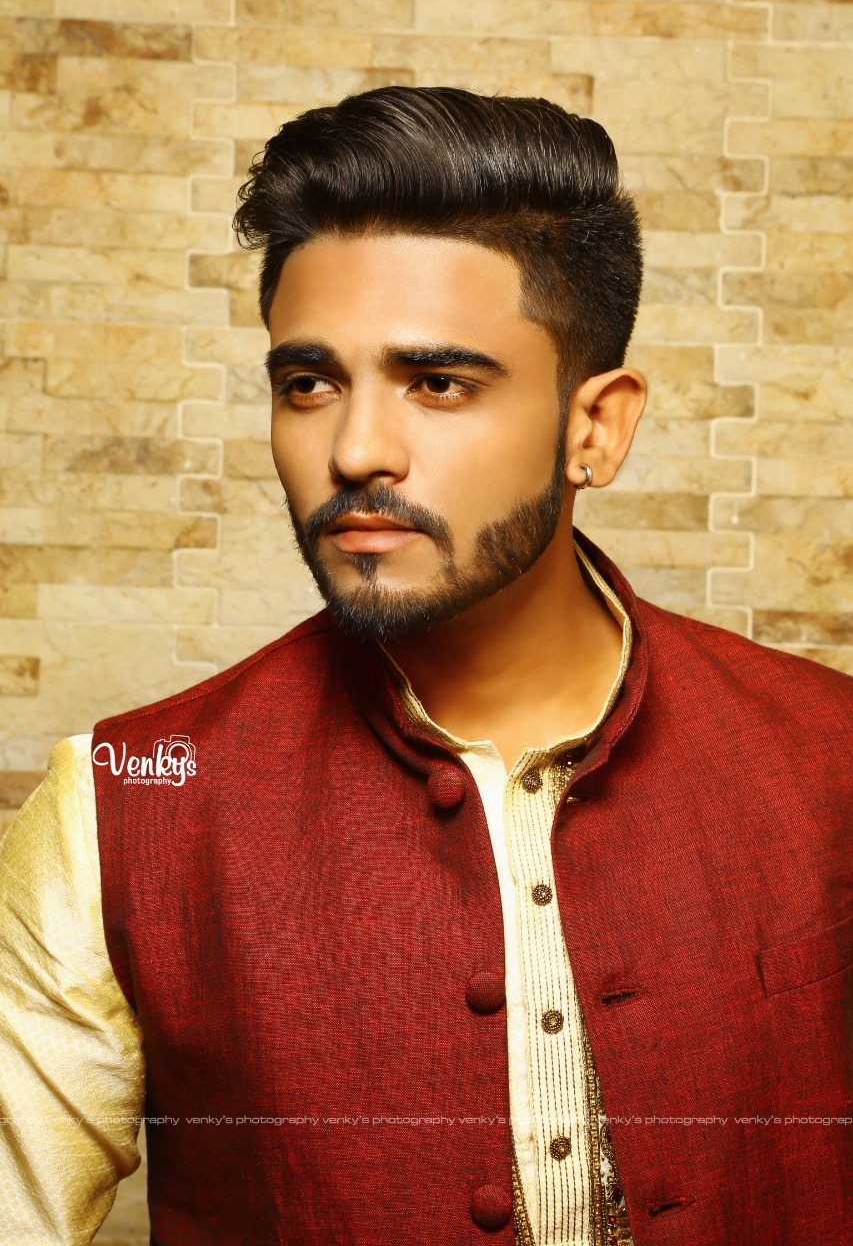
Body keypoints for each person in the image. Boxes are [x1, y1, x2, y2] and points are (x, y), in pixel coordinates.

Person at [0, 87, 850, 1246]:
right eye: (308, 383)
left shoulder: (830, 754)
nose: (355, 449)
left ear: (594, 427)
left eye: (439, 382)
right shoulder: (124, 801)